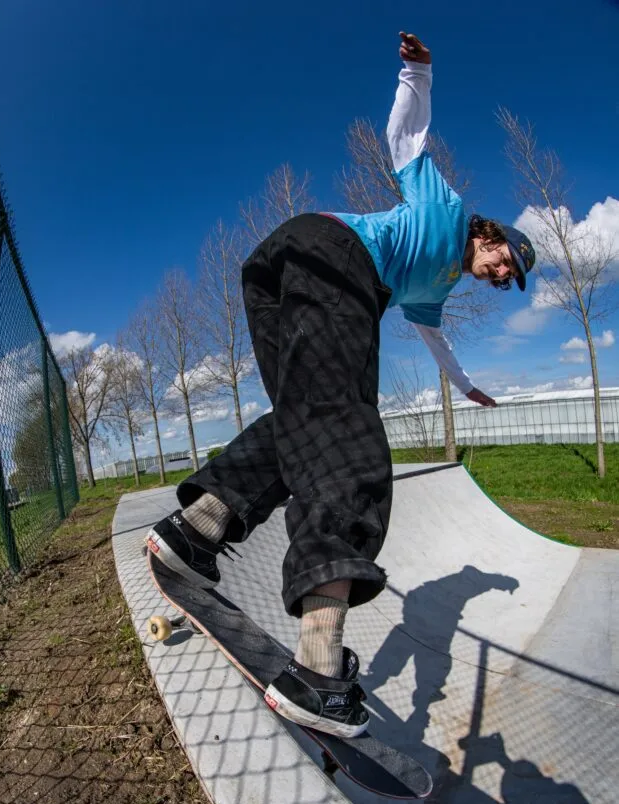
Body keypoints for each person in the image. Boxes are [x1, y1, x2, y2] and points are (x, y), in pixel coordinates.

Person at [146, 31, 536, 740]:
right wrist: (415, 71)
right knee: (351, 443)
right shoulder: (445, 212)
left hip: (281, 266)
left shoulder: (434, 288)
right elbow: (405, 137)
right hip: (334, 263)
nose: (505, 276)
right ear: (490, 235)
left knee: (307, 418)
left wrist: (467, 386)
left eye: (509, 279)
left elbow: (431, 336)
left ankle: (196, 527)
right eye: (508, 262)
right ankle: (320, 669)